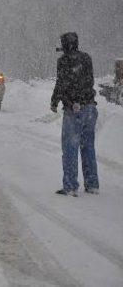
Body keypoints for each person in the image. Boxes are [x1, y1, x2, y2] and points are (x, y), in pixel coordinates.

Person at [51, 32, 99, 196]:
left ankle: (71, 186)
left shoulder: (64, 61)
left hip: (74, 109)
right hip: (90, 108)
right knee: (88, 147)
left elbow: (61, 83)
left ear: (64, 45)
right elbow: (90, 80)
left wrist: (54, 101)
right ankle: (92, 184)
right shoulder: (86, 58)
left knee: (70, 148)